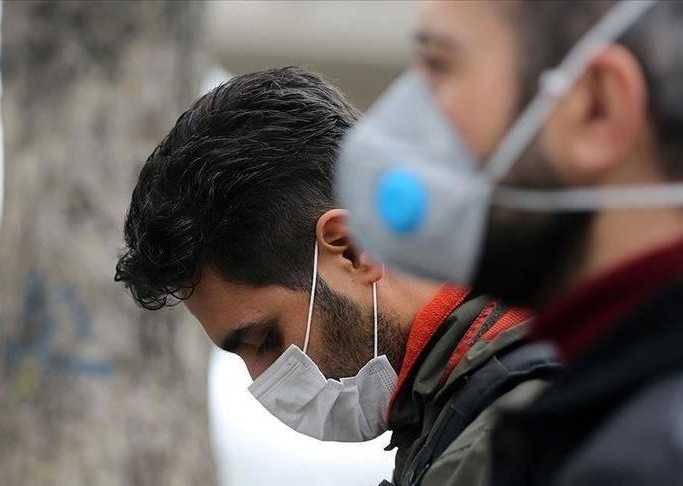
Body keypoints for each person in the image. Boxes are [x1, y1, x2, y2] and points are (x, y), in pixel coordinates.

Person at [114, 67, 557, 486]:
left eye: (264, 339)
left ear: (350, 248)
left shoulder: (512, 437)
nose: (263, 380)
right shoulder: (453, 410)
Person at [337, 1, 683, 484]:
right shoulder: (612, 412)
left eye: (439, 65)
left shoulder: (641, 461)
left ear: (596, 107)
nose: (407, 115)